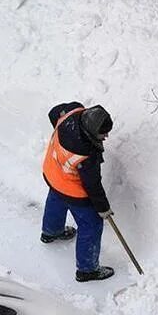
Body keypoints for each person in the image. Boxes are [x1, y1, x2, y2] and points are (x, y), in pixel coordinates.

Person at [39, 101, 115, 282]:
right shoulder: (87, 151)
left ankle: (51, 231)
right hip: (69, 185)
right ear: (92, 130)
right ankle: (87, 270)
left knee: (56, 197)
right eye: (103, 133)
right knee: (92, 223)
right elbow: (93, 185)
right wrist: (103, 209)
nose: (106, 137)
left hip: (52, 170)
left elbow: (53, 113)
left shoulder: (73, 111)